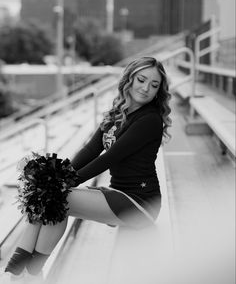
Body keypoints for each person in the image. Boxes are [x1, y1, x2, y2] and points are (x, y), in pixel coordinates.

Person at [2, 56, 171, 281]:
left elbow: (110, 157)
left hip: (139, 201)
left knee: (58, 198)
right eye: (141, 80)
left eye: (154, 85)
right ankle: (23, 272)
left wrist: (66, 183)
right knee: (47, 197)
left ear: (159, 91)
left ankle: (29, 272)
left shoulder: (150, 120)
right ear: (129, 79)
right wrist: (57, 176)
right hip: (117, 194)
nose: (146, 88)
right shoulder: (116, 114)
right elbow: (91, 149)